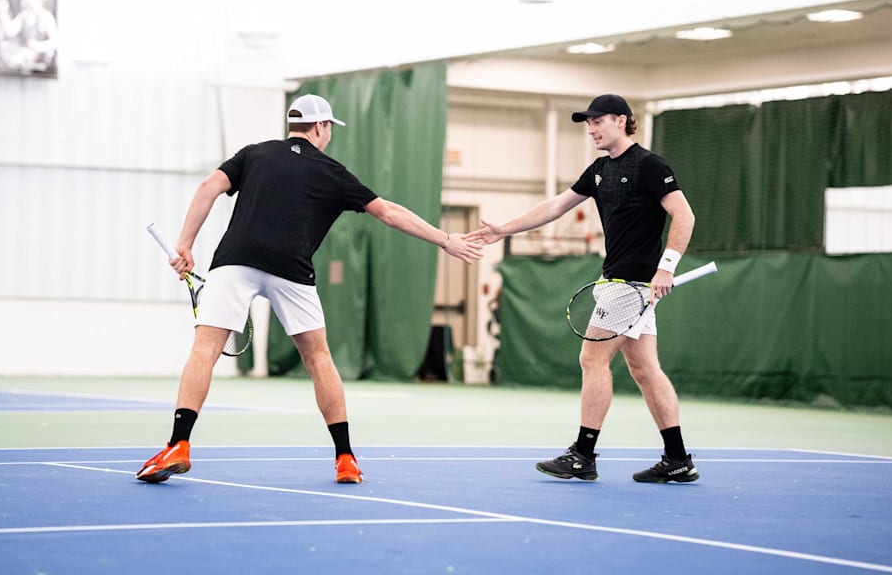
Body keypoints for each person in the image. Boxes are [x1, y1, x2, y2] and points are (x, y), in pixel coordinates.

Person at [137, 94, 483, 485]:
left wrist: (185, 244)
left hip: (236, 258)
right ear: (321, 127)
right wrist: (444, 240)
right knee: (318, 358)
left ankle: (179, 444)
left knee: (205, 349)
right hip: (292, 268)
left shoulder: (253, 153)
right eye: (330, 127)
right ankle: (346, 458)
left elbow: (207, 187)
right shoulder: (333, 172)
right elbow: (388, 212)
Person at [467, 94, 699, 483]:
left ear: (622, 120)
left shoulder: (649, 165)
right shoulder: (598, 170)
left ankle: (583, 454)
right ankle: (677, 458)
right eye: (587, 123)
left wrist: (666, 267)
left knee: (592, 360)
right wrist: (504, 229)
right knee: (644, 368)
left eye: (598, 121)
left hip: (630, 285)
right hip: (621, 283)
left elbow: (684, 214)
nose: (591, 129)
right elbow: (556, 205)